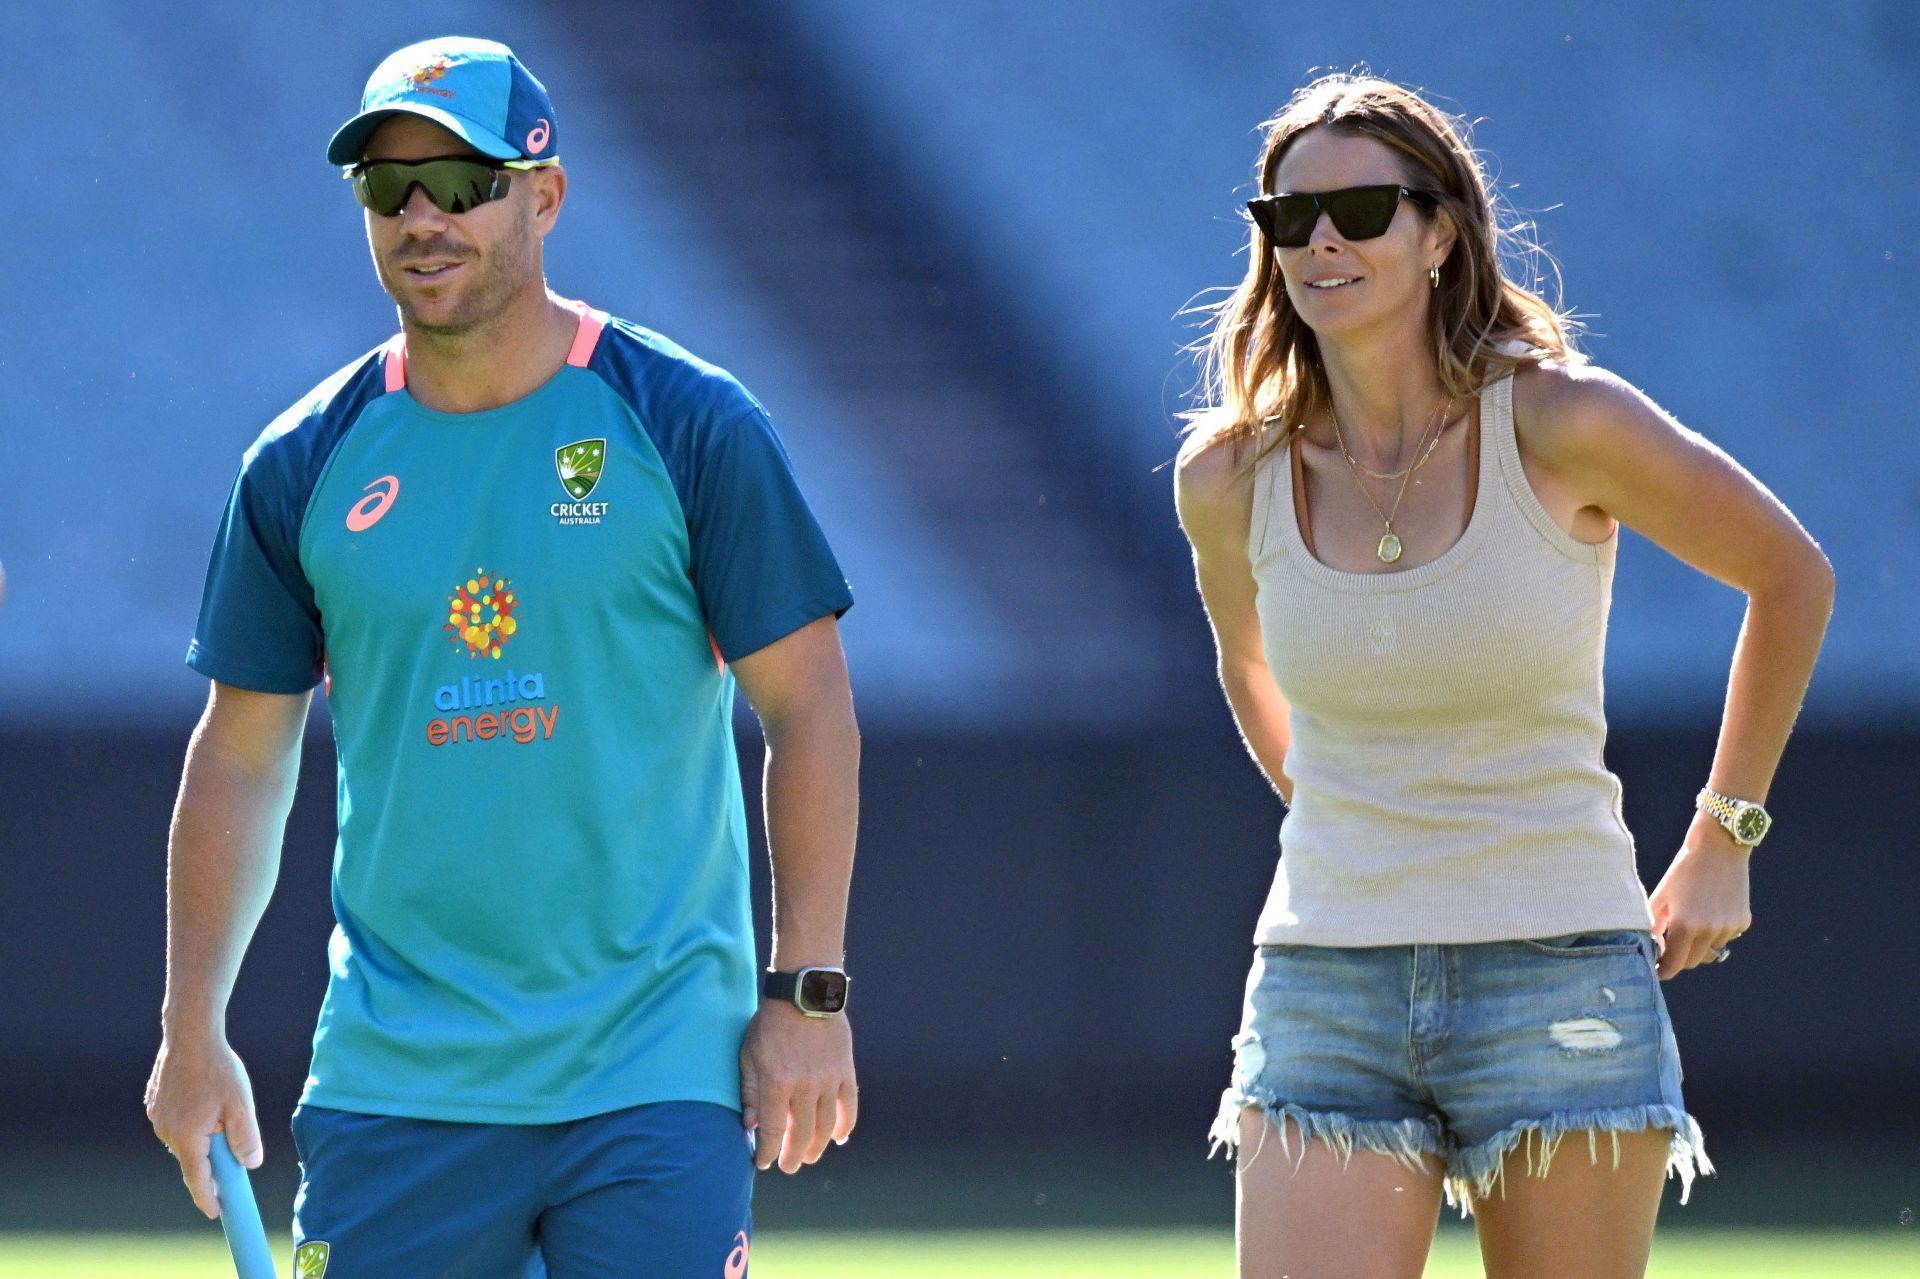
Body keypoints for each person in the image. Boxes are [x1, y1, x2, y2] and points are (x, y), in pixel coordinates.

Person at [144, 37, 860, 1278]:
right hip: (398, 1078)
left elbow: (811, 714)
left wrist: (807, 994)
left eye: (463, 182)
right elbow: (242, 758)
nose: (423, 216)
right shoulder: (302, 462)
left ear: (546, 195)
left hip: (657, 1071)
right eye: (389, 188)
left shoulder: (687, 423)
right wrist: (190, 1026)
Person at [1175, 74, 1832, 1279]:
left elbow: (1791, 577)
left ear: (1438, 234)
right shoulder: (1226, 477)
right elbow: (1245, 655)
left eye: (1362, 210)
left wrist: (1724, 835)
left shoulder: (1563, 419)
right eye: (1289, 216)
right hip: (1323, 984)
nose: (1321, 239)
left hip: (1559, 974)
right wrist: (1346, 812)